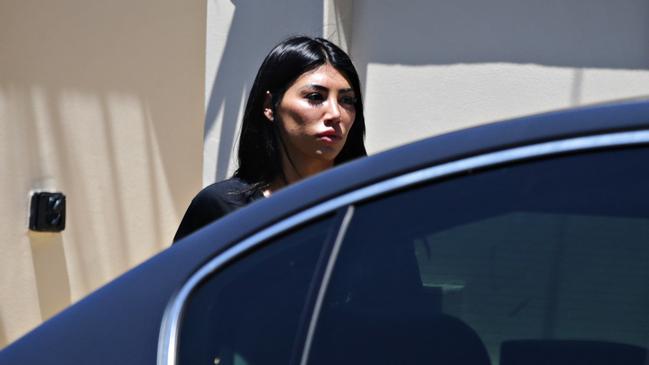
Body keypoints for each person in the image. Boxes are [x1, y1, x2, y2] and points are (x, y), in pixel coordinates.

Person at [173, 36, 367, 242]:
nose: (336, 114)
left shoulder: (370, 205)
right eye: (315, 97)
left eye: (346, 100)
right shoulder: (221, 208)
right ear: (269, 105)